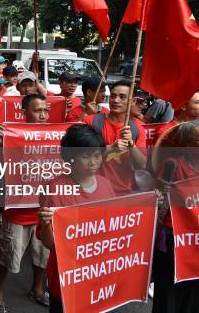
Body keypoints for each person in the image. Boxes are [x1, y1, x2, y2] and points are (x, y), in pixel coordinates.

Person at [37, 124, 116, 313]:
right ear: (70, 157)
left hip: (98, 276)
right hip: (67, 277)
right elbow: (49, 243)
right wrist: (46, 223)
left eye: (97, 155)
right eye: (86, 156)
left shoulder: (106, 185)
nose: (93, 162)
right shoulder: (55, 189)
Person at [0, 94, 51, 312]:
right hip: (17, 213)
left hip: (44, 212)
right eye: (38, 111)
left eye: (46, 110)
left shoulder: (55, 137)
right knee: (7, 257)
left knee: (42, 257)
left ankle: (37, 289)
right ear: (24, 112)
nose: (43, 115)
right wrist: (1, 146)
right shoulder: (11, 136)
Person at [150, 120, 199, 313]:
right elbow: (159, 203)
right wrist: (161, 193)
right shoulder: (173, 165)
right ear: (187, 144)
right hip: (174, 243)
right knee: (169, 297)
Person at [83, 80, 147, 194]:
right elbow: (80, 155)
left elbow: (142, 165)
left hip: (123, 192)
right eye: (113, 96)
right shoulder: (91, 121)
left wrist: (132, 145)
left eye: (122, 97)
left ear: (133, 101)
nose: (115, 100)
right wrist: (112, 148)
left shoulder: (138, 128)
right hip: (92, 190)